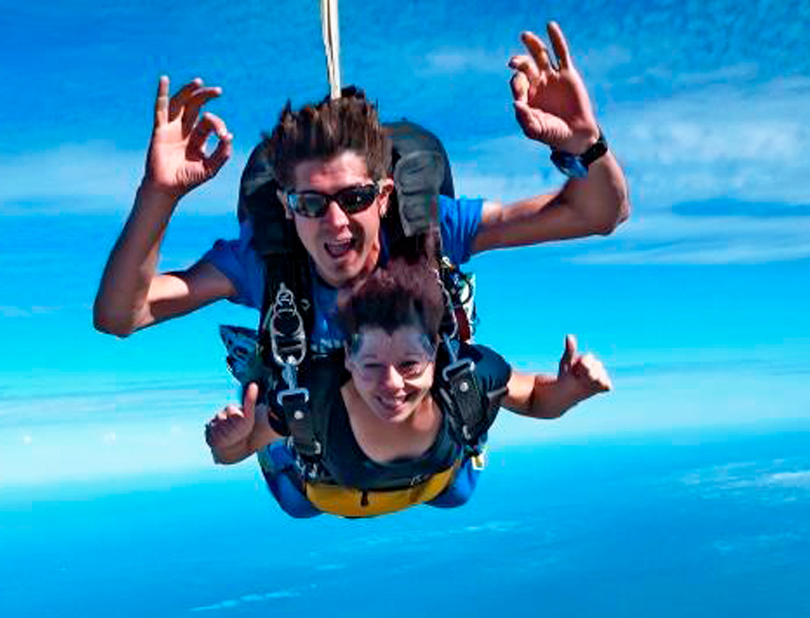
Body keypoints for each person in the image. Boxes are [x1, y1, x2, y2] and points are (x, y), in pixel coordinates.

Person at [92, 21, 629, 345]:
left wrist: (585, 144)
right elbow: (122, 315)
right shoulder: (264, 259)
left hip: (422, 427)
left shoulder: (431, 228)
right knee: (303, 487)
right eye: (309, 202)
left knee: (452, 482)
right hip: (325, 443)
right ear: (285, 206)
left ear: (386, 195)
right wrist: (158, 196)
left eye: (354, 197)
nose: (335, 222)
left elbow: (598, 214)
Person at [203, 256, 612, 518]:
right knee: (298, 504)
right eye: (372, 365)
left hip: (432, 478)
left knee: (457, 494)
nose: (391, 384)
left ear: (436, 354)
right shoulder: (312, 399)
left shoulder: (469, 376)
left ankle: (444, 309)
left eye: (409, 364)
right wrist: (231, 438)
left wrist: (572, 391)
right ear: (346, 358)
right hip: (333, 488)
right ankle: (261, 374)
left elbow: (537, 397)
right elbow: (233, 453)